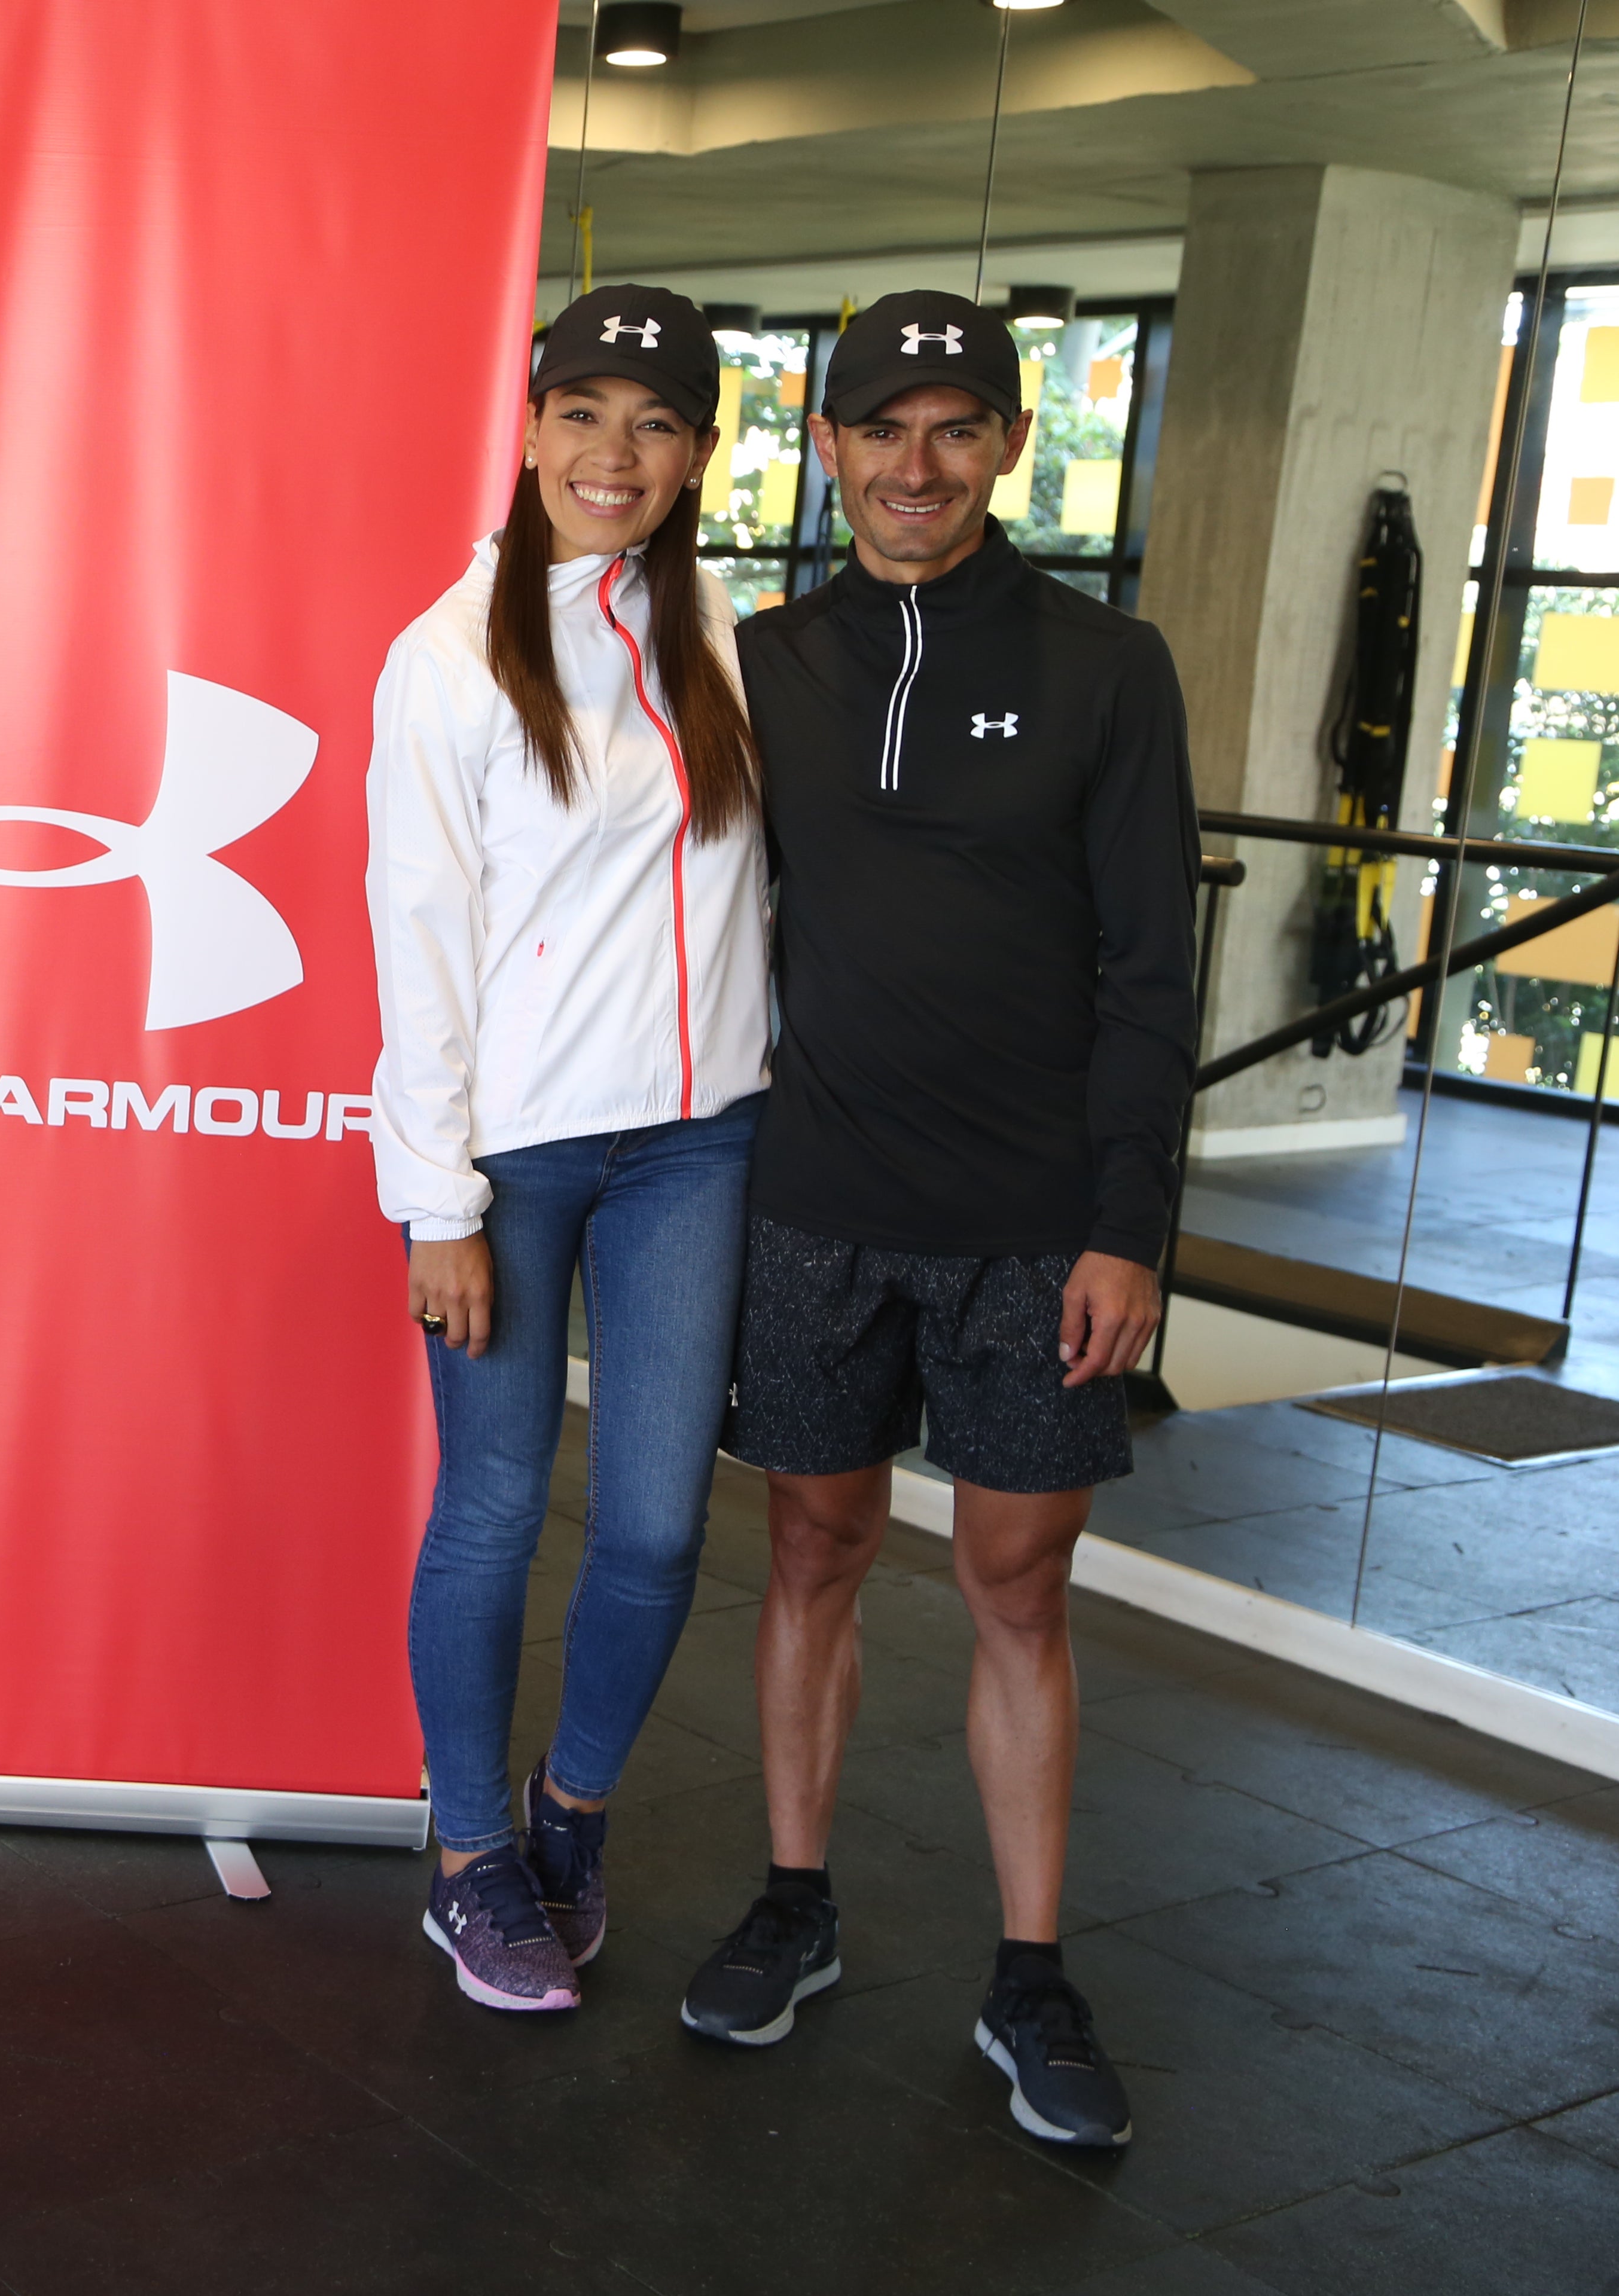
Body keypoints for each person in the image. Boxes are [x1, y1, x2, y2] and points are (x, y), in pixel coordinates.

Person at [683, 290, 1197, 2150]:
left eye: (956, 429)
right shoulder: (759, 658)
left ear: (1007, 447)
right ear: (826, 448)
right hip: (816, 1202)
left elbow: (1152, 968)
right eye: (883, 430)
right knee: (811, 1553)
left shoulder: (1107, 665)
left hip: (1033, 1226)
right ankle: (794, 1902)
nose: (918, 466)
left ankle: (1032, 1973)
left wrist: (1129, 1226)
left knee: (1016, 1587)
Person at [367, 283, 770, 2014]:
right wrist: (435, 1203)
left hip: (696, 1144)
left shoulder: (715, 623)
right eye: (585, 413)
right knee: (496, 1507)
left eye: (657, 423)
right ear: (530, 429)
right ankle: (469, 1857)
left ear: (697, 455)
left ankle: (570, 1813)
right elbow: (418, 941)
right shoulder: (449, 657)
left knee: (663, 1528)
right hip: (515, 1159)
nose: (617, 453)